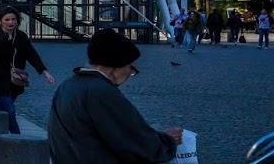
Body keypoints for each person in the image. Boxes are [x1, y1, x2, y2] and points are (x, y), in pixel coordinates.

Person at [47, 28, 180, 163]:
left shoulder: (67, 86)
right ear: (117, 66)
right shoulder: (101, 92)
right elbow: (132, 141)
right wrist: (167, 141)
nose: (130, 74)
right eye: (131, 68)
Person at [0, 6, 54, 135]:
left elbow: (31, 54)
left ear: (17, 21)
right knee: (10, 110)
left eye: (13, 19)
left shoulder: (21, 36)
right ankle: (18, 138)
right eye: (7, 20)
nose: (11, 22)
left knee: (4, 110)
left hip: (15, 81)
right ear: (0, 21)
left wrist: (44, 71)